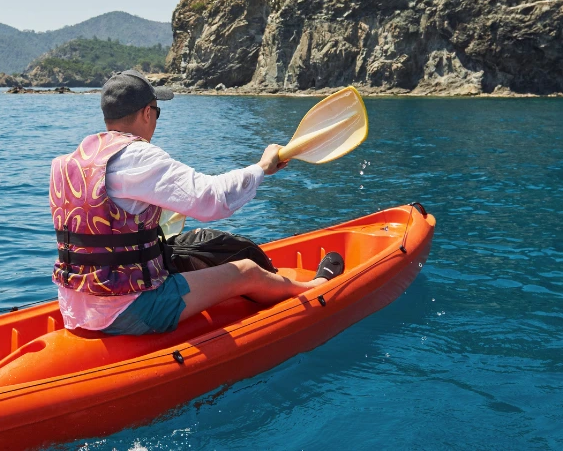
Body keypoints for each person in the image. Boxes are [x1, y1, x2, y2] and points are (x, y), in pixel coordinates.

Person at [49, 70, 344, 336]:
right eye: (157, 112)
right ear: (146, 113)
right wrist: (262, 168)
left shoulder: (69, 162)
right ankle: (313, 288)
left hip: (73, 308)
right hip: (126, 310)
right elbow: (211, 201)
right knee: (245, 271)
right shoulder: (139, 156)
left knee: (186, 252)